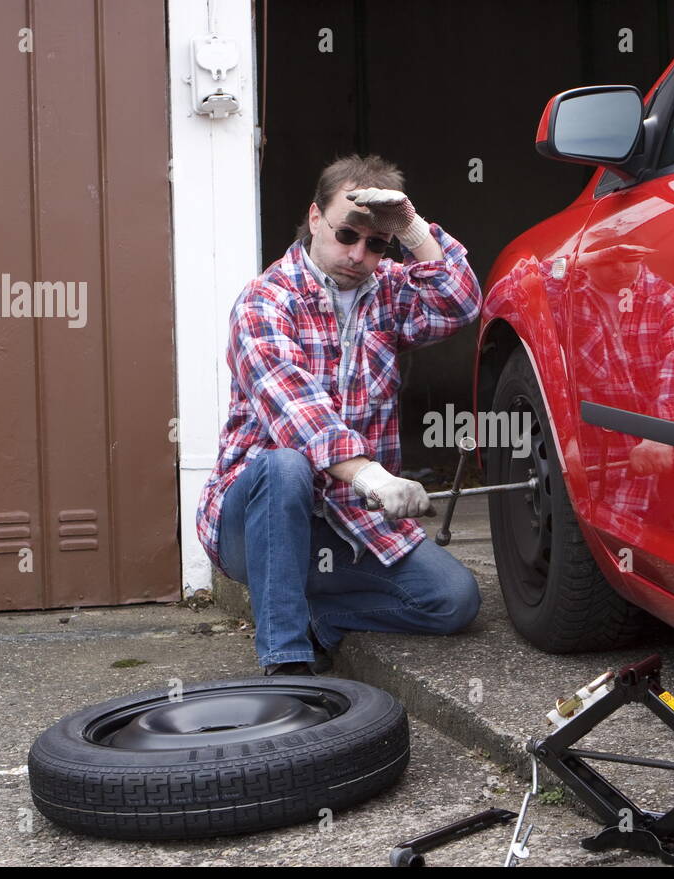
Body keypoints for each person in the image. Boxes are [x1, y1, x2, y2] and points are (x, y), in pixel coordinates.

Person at [196, 154, 483, 675]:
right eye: (347, 234)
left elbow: (459, 304)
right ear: (313, 218)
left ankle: (316, 616)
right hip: (256, 520)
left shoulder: (391, 292)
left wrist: (412, 229)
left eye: (376, 243)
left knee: (453, 600)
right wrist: (371, 474)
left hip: (348, 520)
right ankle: (285, 662)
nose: (359, 254)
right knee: (285, 465)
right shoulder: (265, 302)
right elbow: (298, 411)